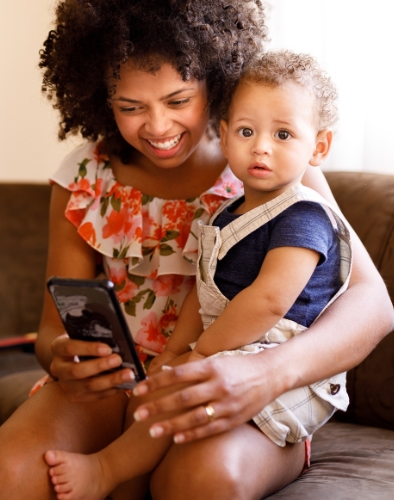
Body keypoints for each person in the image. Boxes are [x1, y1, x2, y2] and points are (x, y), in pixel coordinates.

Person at [0, 0, 394, 499]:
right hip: (118, 386)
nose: (158, 126)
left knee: (200, 478)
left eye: (178, 100)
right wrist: (62, 356)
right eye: (130, 106)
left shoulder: (271, 166)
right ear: (100, 100)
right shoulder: (84, 175)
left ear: (215, 82)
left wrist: (267, 374)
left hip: (240, 381)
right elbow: (51, 332)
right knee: (7, 473)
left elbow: (373, 306)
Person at [43, 50, 352, 500]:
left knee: (176, 400)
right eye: (247, 132)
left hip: (273, 352)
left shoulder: (303, 214)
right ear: (226, 136)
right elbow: (204, 293)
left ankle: (107, 470)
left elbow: (269, 301)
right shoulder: (229, 213)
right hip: (227, 345)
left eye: (283, 134)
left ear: (318, 147)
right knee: (162, 393)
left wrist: (200, 353)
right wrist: (172, 354)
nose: (262, 146)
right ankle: (111, 476)